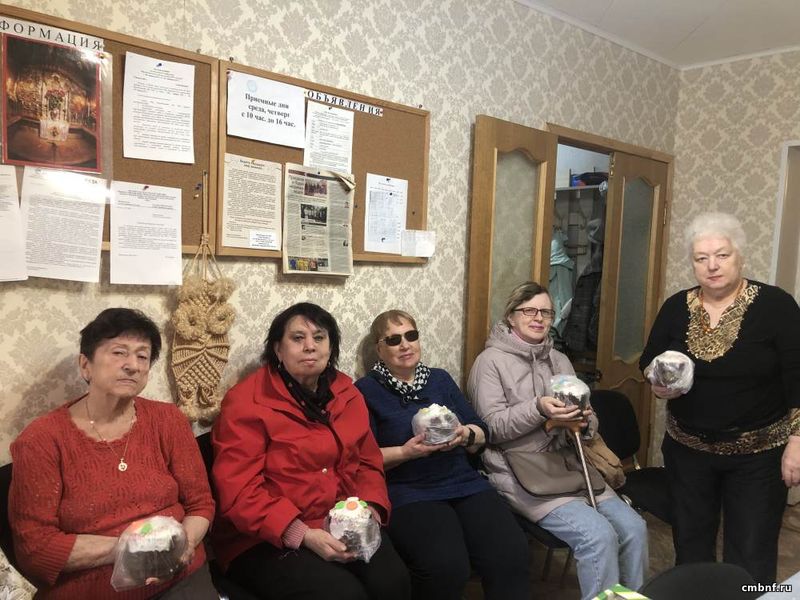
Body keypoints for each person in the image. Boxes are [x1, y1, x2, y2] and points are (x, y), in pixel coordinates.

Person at [9, 308, 216, 599]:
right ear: (85, 365)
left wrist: (184, 545)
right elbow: (36, 549)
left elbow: (200, 504)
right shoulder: (41, 440)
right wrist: (132, 548)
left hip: (179, 577)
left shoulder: (169, 420)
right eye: (119, 353)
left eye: (142, 356)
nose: (132, 365)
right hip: (92, 590)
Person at [640, 211, 800, 583]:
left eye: (722, 255)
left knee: (750, 552)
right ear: (693, 263)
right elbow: (649, 359)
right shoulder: (676, 306)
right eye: (701, 258)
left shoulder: (776, 306)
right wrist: (657, 381)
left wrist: (797, 441)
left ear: (739, 256)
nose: (712, 266)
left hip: (758, 457)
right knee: (691, 546)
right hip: (687, 453)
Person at [211, 302, 410, 600]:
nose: (310, 346)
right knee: (343, 595)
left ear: (330, 348)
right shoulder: (246, 401)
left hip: (342, 520)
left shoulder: (347, 393)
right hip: (261, 537)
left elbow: (368, 462)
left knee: (393, 582)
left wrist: (369, 509)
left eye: (319, 338)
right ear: (278, 349)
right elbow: (239, 490)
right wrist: (301, 534)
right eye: (297, 338)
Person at [468, 281, 648, 600]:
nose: (539, 318)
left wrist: (585, 420)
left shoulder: (560, 360)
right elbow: (492, 428)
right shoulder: (490, 362)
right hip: (522, 472)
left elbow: (587, 418)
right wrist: (539, 409)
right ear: (511, 316)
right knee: (598, 537)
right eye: (529, 311)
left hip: (571, 466)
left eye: (546, 312)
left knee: (635, 529)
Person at [355, 310, 531, 600]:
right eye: (394, 340)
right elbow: (364, 458)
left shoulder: (439, 379)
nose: (405, 345)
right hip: (409, 490)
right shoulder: (366, 390)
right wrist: (406, 452)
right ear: (379, 349)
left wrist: (465, 435)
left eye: (411, 336)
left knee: (511, 553)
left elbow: (481, 430)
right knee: (446, 567)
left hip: (462, 481)